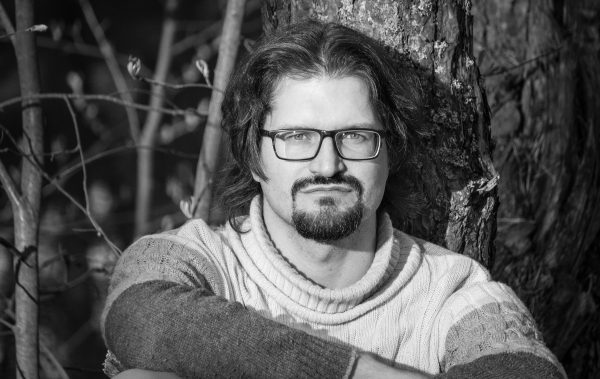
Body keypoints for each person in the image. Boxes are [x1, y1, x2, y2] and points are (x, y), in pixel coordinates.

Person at [101, 20, 565, 378]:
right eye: (297, 136)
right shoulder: (201, 262)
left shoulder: (452, 294)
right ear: (252, 151)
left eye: (355, 136)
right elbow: (136, 315)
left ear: (390, 150)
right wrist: (353, 371)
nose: (327, 165)